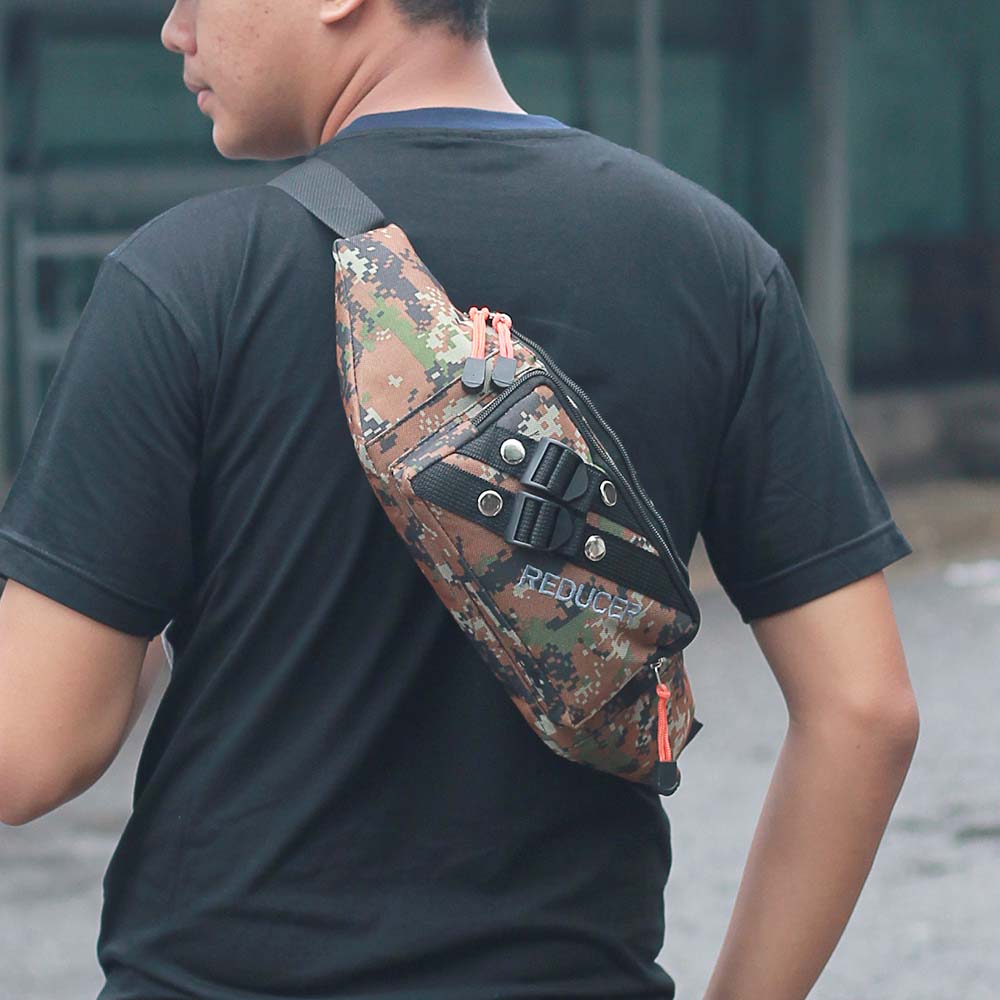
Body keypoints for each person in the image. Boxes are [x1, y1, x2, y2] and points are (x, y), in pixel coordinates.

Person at [0, 1, 920, 997]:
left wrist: (121, 584)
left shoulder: (187, 279)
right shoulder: (717, 263)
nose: (175, 31)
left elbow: (30, 751)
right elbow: (863, 710)